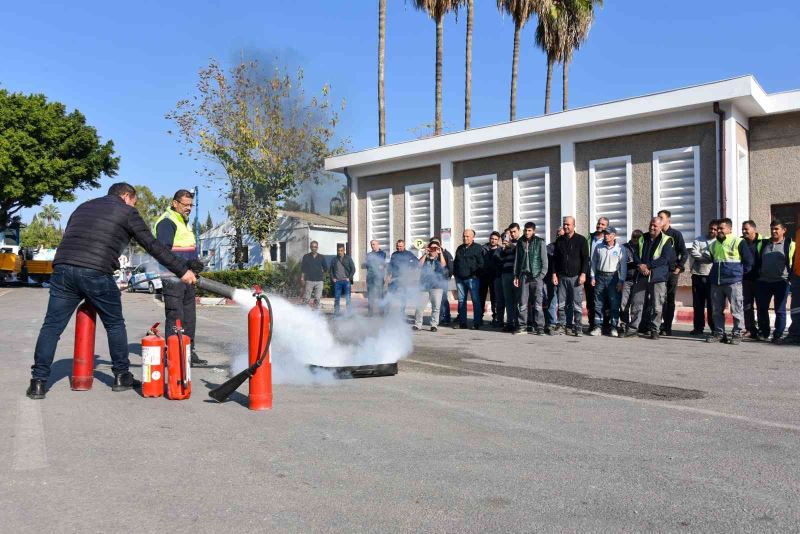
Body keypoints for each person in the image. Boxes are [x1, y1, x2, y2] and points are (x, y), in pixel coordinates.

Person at [27, 183, 197, 399]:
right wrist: (182, 270)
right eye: (134, 201)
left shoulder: (83, 207)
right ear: (126, 196)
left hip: (63, 269)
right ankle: (121, 375)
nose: (134, 205)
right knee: (115, 324)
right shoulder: (127, 212)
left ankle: (38, 383)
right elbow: (153, 246)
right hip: (96, 273)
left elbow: (76, 238)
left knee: (51, 326)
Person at [155, 189, 206, 366]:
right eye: (186, 205)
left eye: (191, 205)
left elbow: (185, 248)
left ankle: (189, 352)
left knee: (189, 316)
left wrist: (195, 262)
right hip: (173, 278)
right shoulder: (167, 222)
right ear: (175, 203)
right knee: (176, 316)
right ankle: (174, 354)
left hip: (187, 277)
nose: (189, 208)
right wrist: (184, 266)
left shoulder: (184, 222)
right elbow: (164, 252)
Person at [626, 217, 676, 340]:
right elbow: (636, 254)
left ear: (661, 227)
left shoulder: (667, 240)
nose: (652, 227)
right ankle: (633, 329)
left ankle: (655, 330)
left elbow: (664, 259)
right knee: (637, 303)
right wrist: (640, 265)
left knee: (657, 305)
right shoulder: (643, 237)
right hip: (641, 275)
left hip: (657, 277)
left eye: (655, 226)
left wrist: (647, 266)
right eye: (651, 225)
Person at [706, 218, 754, 345]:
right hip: (717, 282)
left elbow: (749, 261)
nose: (719, 231)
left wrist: (739, 274)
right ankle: (719, 333)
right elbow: (714, 261)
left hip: (733, 282)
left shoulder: (738, 242)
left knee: (736, 309)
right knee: (716, 310)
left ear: (730, 229)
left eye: (722, 228)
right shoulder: (713, 245)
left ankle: (737, 333)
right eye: (718, 229)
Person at [755, 221, 795, 342]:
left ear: (784, 230)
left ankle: (777, 335)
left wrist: (791, 279)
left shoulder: (790, 244)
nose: (773, 231)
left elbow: (793, 263)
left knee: (780, 310)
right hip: (763, 282)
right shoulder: (764, 243)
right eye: (772, 229)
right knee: (761, 308)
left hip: (781, 282)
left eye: (776, 229)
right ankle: (764, 332)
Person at [553, 216, 589, 337]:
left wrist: (583, 274)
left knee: (577, 304)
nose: (566, 226)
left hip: (576, 278)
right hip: (562, 277)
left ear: (574, 225)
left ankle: (578, 327)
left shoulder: (581, 240)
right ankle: (562, 326)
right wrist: (554, 274)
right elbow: (555, 260)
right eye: (564, 224)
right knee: (562, 304)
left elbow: (585, 259)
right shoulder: (559, 241)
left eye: (568, 224)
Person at [589, 227, 627, 337]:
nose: (606, 236)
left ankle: (614, 327)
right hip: (600, 276)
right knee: (598, 303)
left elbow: (623, 266)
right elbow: (594, 262)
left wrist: (621, 280)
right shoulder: (599, 246)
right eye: (605, 234)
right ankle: (598, 327)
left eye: (608, 234)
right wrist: (592, 277)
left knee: (614, 303)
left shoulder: (620, 248)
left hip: (613, 277)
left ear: (614, 235)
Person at [513, 222, 548, 335]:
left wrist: (541, 275)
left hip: (536, 276)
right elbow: (517, 260)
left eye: (529, 230)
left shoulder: (540, 242)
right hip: (524, 276)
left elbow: (544, 260)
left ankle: (539, 327)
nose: (527, 233)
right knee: (522, 302)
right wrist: (516, 275)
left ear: (534, 231)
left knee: (538, 303)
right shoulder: (520, 242)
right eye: (525, 230)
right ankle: (522, 326)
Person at [657, 210, 687, 336]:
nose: (659, 219)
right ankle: (657, 325)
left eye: (662, 218)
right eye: (658, 217)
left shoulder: (675, 234)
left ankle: (667, 326)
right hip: (659, 272)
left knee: (669, 299)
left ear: (668, 220)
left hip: (671, 272)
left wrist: (678, 268)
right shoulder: (657, 234)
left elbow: (684, 253)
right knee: (658, 299)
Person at [689, 220, 718, 335]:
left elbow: (715, 256)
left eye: (715, 229)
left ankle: (714, 328)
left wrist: (705, 255)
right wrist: (706, 257)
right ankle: (698, 327)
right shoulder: (699, 239)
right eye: (711, 228)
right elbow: (694, 253)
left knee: (712, 304)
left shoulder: (718, 242)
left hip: (711, 276)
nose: (712, 231)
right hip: (697, 275)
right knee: (698, 303)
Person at [453, 229, 485, 329]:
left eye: (467, 236)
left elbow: (481, 264)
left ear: (473, 237)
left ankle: (477, 323)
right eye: (464, 236)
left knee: (475, 301)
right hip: (460, 279)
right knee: (462, 301)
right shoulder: (460, 248)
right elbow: (456, 262)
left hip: (472, 279)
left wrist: (475, 274)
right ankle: (463, 323)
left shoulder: (478, 248)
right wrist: (456, 274)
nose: (465, 238)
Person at [413, 239, 447, 332]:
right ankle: (417, 324)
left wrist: (440, 253)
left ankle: (434, 325)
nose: (433, 250)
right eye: (432, 248)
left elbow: (444, 265)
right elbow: (419, 265)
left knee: (436, 307)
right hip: (424, 286)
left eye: (435, 248)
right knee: (420, 307)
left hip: (437, 286)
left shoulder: (440, 258)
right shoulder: (426, 258)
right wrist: (425, 254)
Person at [741, 220, 763, 338]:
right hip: (745, 279)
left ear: (754, 229)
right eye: (743, 229)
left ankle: (763, 330)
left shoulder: (763, 241)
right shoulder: (740, 241)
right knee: (747, 305)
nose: (744, 231)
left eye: (746, 229)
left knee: (761, 306)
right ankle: (750, 329)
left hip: (760, 279)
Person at [585, 217, 608, 332]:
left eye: (603, 224)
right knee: (590, 301)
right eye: (599, 223)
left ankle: (604, 324)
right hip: (590, 274)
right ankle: (592, 323)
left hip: (602, 274)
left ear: (606, 227)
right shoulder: (590, 237)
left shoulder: (607, 239)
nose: (600, 226)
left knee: (602, 300)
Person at [619, 229, 643, 333]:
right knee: (623, 303)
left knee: (636, 305)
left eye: (638, 238)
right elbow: (622, 263)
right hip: (627, 279)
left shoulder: (643, 248)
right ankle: (624, 324)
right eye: (634, 237)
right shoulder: (624, 247)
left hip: (639, 279)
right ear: (631, 236)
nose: (636, 239)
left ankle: (634, 327)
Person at [388, 239, 418, 317]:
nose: (399, 248)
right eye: (397, 246)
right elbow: (390, 265)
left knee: (403, 296)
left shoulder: (409, 254)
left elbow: (416, 262)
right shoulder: (394, 254)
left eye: (400, 246)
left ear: (404, 246)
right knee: (391, 294)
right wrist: (388, 276)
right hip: (394, 278)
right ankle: (390, 312)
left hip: (404, 278)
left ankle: (402, 313)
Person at [500, 224, 521, 332]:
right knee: (508, 300)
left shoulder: (521, 242)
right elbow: (501, 258)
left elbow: (521, 253)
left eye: (514, 232)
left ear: (518, 231)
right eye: (510, 232)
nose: (512, 234)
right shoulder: (507, 245)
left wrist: (512, 246)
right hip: (505, 274)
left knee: (517, 300)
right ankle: (510, 323)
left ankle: (518, 323)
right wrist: (503, 248)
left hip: (515, 274)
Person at [783, 213, 800, 345]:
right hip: (797, 276)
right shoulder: (798, 232)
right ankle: (795, 333)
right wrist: (792, 272)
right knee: (795, 307)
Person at [480, 231, 503, 327]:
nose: (493, 241)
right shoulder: (483, 249)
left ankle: (495, 318)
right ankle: (479, 317)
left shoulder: (501, 250)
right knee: (481, 298)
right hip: (483, 277)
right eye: (492, 239)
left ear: (498, 240)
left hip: (495, 277)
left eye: (495, 239)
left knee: (495, 299)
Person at [544, 228, 563, 335]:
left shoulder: (567, 247)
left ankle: (563, 324)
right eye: (557, 235)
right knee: (552, 301)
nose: (558, 237)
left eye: (561, 235)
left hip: (565, 278)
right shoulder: (550, 247)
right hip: (551, 278)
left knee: (565, 302)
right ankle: (552, 323)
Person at [329, 244, 356, 316]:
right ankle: (336, 313)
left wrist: (349, 278)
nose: (340, 252)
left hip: (346, 281)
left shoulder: (348, 258)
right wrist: (333, 278)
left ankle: (349, 313)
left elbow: (353, 269)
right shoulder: (334, 259)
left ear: (344, 251)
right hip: (337, 281)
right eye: (338, 251)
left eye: (341, 250)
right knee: (337, 298)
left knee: (348, 298)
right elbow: (331, 270)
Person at [300, 241, 326, 309]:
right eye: (312, 247)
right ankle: (304, 313)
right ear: (310, 247)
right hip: (309, 280)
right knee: (306, 299)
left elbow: (325, 268)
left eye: (315, 247)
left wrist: (320, 272)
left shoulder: (321, 257)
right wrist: (302, 278)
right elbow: (303, 268)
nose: (313, 248)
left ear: (317, 247)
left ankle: (316, 315)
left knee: (317, 299)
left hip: (319, 281)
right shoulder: (306, 256)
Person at [365, 239, 387, 316]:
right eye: (371, 244)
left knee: (380, 294)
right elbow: (368, 265)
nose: (372, 246)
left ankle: (382, 312)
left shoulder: (382, 254)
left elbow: (382, 264)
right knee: (370, 295)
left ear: (378, 245)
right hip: (370, 277)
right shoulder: (369, 254)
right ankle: (370, 312)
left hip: (379, 277)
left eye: (374, 244)